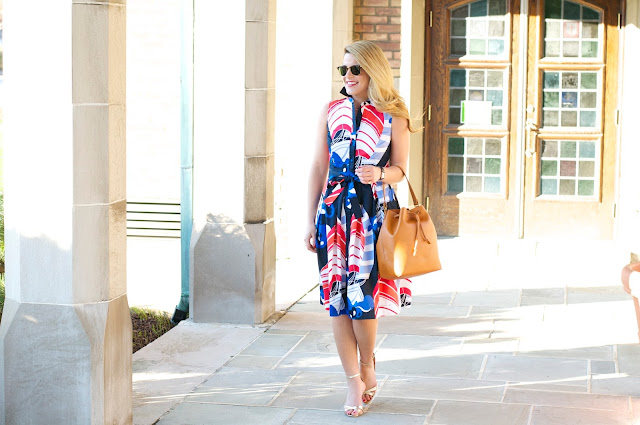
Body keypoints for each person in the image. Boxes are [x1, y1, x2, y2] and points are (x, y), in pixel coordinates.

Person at [304, 40, 420, 417]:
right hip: (333, 216)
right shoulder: (331, 111)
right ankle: (353, 380)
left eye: (355, 69)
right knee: (336, 299)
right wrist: (309, 219)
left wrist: (381, 173)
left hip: (372, 216)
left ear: (373, 71)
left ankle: (368, 364)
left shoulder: (394, 116)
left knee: (362, 300)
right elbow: (319, 169)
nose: (348, 76)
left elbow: (401, 169)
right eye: (344, 70)